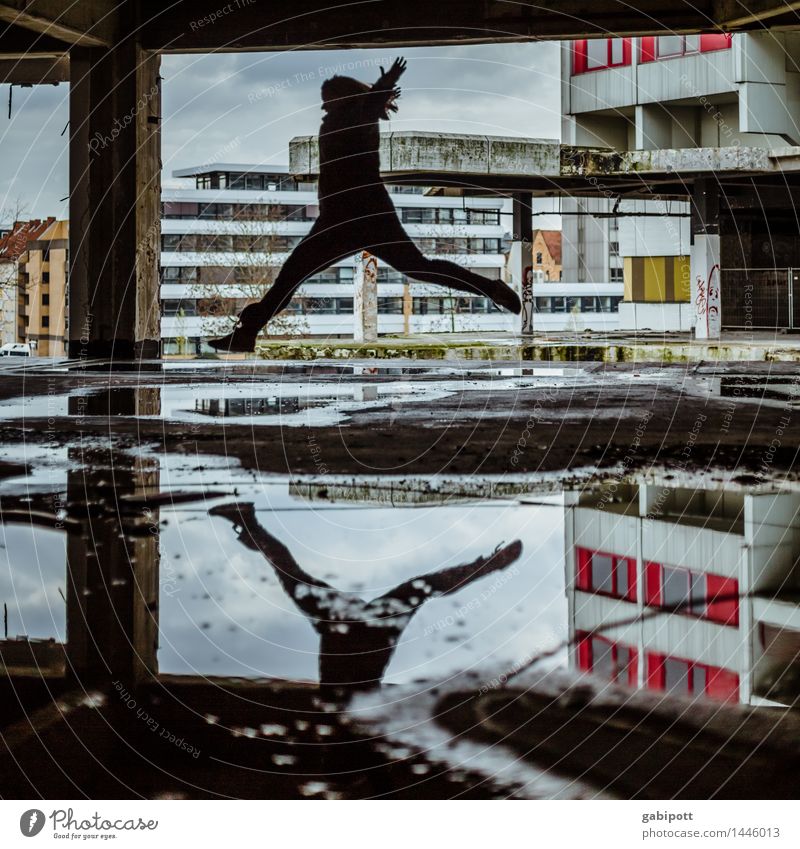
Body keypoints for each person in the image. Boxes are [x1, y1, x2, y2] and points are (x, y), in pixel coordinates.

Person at [208, 57, 521, 352]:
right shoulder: (341, 119)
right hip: (348, 219)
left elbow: (370, 105)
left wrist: (386, 82)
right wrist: (382, 86)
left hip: (358, 218)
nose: (322, 103)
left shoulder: (356, 117)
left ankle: (491, 288)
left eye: (327, 96)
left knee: (295, 275)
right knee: (299, 274)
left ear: (342, 97)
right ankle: (246, 334)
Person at [209, 501, 523, 690]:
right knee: (293, 576)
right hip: (349, 635)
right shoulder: (341, 711)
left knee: (422, 586)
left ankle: (250, 527)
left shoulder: (354, 711)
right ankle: (250, 526)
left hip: (371, 638)